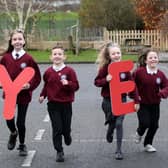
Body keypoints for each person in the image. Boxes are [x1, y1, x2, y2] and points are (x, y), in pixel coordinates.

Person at [94, 42, 139, 160]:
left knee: (119, 123)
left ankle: (118, 150)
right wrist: (106, 80)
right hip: (107, 101)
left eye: (118, 53)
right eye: (113, 53)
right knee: (112, 121)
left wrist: (136, 101)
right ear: (109, 55)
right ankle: (110, 129)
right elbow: (97, 82)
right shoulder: (105, 68)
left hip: (121, 99)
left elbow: (132, 85)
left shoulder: (125, 69)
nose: (116, 55)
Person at [0, 29, 41, 156]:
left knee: (21, 122)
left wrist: (29, 85)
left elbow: (37, 76)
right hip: (10, 93)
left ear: (24, 41)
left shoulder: (29, 59)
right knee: (9, 118)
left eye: (20, 39)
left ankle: (22, 144)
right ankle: (13, 133)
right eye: (15, 39)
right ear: (11, 42)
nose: (17, 41)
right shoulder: (5, 58)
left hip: (23, 95)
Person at [39, 45, 79, 162]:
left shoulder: (70, 71)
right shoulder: (48, 72)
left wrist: (68, 84)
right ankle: (59, 151)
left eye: (59, 54)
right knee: (57, 128)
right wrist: (42, 95)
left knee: (65, 128)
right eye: (55, 54)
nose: (57, 56)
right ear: (51, 57)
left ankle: (67, 135)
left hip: (66, 104)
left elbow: (76, 86)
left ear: (64, 57)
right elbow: (46, 85)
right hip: (53, 104)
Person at [133, 48, 168, 152]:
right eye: (151, 58)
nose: (153, 59)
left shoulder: (160, 74)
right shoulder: (139, 72)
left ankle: (148, 144)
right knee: (145, 123)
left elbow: (166, 86)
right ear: (145, 60)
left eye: (155, 57)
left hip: (155, 103)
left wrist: (163, 93)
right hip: (142, 103)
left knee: (154, 125)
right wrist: (135, 98)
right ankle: (139, 132)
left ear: (158, 59)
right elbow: (131, 85)